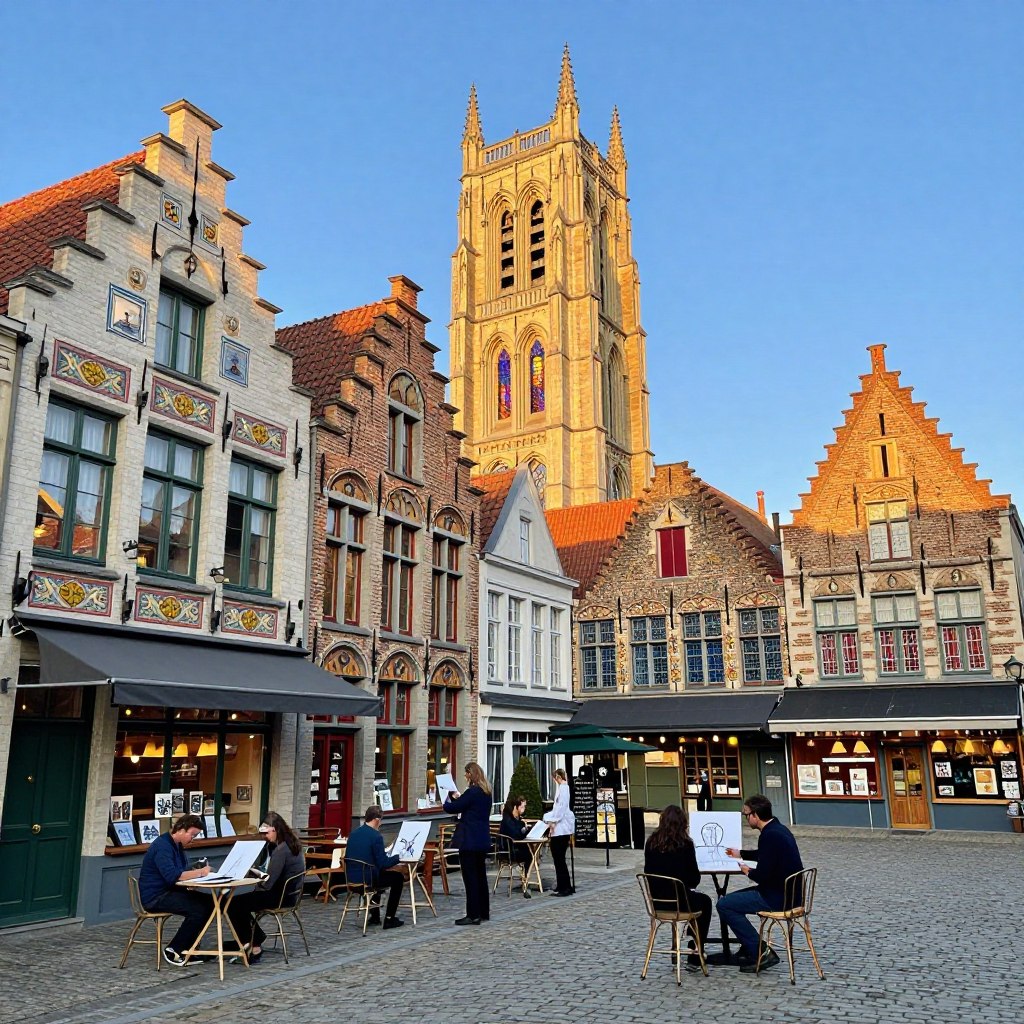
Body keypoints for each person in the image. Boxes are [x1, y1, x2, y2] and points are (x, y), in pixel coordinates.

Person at [717, 793, 803, 973]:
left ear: (755, 815)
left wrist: (747, 870)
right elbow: (765, 855)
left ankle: (760, 951)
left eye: (746, 814)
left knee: (724, 905)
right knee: (732, 898)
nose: (746, 818)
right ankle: (748, 947)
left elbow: (762, 875)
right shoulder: (778, 829)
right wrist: (741, 854)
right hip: (787, 892)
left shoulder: (769, 835)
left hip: (777, 897)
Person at [225, 812, 306, 963]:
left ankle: (254, 944)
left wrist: (255, 879)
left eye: (266, 833)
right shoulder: (292, 844)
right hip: (290, 895)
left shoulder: (281, 851)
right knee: (237, 903)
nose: (265, 837)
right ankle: (254, 937)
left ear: (276, 829)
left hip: (279, 896)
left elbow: (268, 883)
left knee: (232, 904)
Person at [643, 804, 712, 972]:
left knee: (697, 900)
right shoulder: (685, 844)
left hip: (658, 902)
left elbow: (647, 872)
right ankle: (696, 949)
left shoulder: (651, 842)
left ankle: (692, 943)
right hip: (681, 902)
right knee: (706, 902)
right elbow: (694, 878)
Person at [138, 814, 212, 966]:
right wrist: (200, 873)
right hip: (156, 896)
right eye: (192, 835)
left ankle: (189, 948)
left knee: (210, 904)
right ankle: (175, 949)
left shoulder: (176, 846)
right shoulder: (163, 847)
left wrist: (191, 879)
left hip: (168, 890)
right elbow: (173, 876)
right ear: (181, 830)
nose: (193, 839)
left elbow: (179, 872)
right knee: (198, 910)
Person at [443, 761, 493, 925]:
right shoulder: (486, 792)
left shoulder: (472, 792)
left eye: (466, 774)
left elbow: (453, 808)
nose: (465, 777)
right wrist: (457, 798)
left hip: (469, 840)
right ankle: (484, 911)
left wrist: (446, 799)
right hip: (482, 839)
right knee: (480, 876)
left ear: (471, 774)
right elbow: (465, 804)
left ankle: (473, 914)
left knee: (470, 878)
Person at [345, 805, 405, 929]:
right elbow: (384, 863)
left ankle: (375, 916)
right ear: (377, 819)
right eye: (381, 820)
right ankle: (389, 918)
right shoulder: (376, 836)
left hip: (352, 878)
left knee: (377, 872)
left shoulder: (354, 833)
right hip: (368, 879)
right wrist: (398, 857)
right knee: (397, 878)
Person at [543, 767, 575, 896]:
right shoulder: (562, 789)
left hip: (561, 829)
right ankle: (562, 885)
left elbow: (560, 809)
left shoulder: (563, 789)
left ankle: (564, 887)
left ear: (557, 777)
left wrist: (552, 820)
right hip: (560, 828)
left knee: (559, 858)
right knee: (558, 859)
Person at [498, 794, 532, 877]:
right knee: (530, 855)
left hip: (512, 849)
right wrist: (524, 830)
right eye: (523, 807)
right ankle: (525, 876)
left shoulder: (515, 819)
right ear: (516, 806)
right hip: (509, 852)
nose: (524, 809)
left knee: (530, 852)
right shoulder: (508, 820)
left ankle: (524, 875)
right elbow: (516, 835)